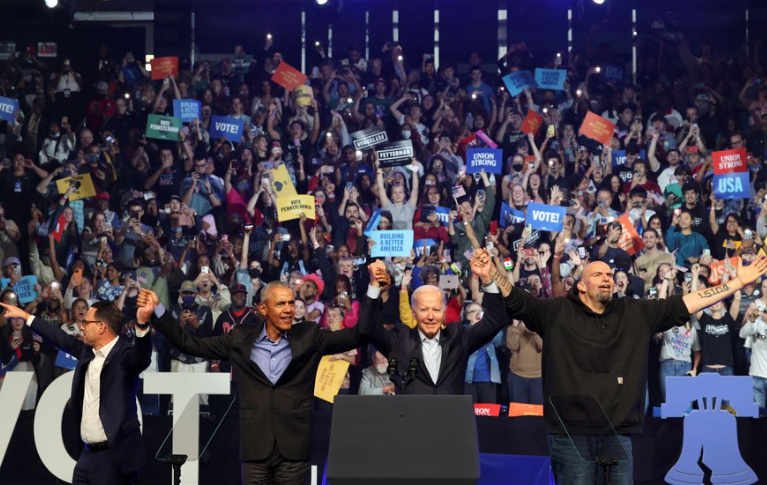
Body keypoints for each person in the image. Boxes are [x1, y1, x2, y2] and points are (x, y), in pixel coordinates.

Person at [487, 252, 767, 484]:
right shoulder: (556, 312)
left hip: (617, 433)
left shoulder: (634, 312)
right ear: (581, 286)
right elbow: (517, 300)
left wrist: (737, 282)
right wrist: (491, 273)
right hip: (571, 434)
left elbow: (688, 303)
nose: (606, 278)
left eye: (609, 275)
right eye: (598, 274)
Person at [137, 284, 363, 485]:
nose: (288, 309)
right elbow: (189, 343)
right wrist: (158, 309)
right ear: (263, 309)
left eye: (291, 303)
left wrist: (373, 290)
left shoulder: (309, 334)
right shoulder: (239, 337)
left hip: (294, 449)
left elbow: (357, 335)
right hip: (255, 450)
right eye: (281, 304)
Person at [0, 300, 152, 485]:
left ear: (102, 327)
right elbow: (59, 338)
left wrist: (142, 325)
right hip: (86, 456)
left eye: (86, 323)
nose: (81, 327)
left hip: (115, 457)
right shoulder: (87, 351)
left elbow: (141, 358)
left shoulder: (124, 354)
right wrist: (26, 316)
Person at [358, 250, 507, 395]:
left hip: (450, 412)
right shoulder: (399, 339)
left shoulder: (458, 337)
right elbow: (366, 327)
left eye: (436, 310)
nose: (430, 316)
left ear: (444, 313)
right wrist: (374, 287)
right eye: (424, 310)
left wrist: (487, 278)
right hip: (413, 412)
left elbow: (495, 320)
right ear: (414, 313)